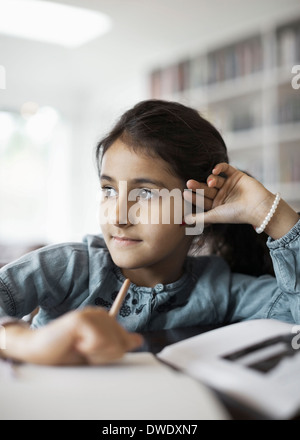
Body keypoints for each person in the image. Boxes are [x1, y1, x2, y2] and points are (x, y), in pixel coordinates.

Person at [0, 99, 299, 366]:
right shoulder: (67, 268)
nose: (117, 214)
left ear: (198, 210)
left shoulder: (220, 289)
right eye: (109, 190)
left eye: (145, 193)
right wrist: (27, 341)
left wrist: (270, 213)